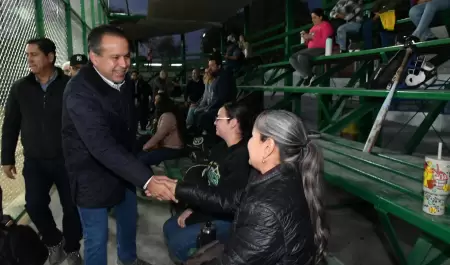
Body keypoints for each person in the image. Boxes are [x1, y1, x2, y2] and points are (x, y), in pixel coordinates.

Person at [61, 25, 176, 265]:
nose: (124, 64)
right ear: (94, 57)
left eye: (127, 56)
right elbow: (101, 146)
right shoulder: (79, 92)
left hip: (122, 169)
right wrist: (147, 179)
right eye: (115, 57)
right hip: (91, 176)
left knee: (128, 220)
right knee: (97, 237)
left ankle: (129, 259)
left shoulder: (121, 79)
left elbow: (126, 128)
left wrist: (138, 172)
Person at [157, 110, 329, 265]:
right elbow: (230, 200)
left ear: (268, 147)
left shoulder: (267, 207)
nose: (248, 143)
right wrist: (178, 188)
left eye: (253, 137)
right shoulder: (279, 177)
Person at [1, 38, 83, 265]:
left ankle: (73, 249)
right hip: (35, 161)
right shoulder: (20, 88)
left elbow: (83, 123)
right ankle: (53, 240)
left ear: (50, 57)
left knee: (72, 207)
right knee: (34, 204)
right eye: (28, 55)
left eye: (34, 54)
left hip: (67, 159)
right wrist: (6, 158)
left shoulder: (70, 86)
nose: (29, 59)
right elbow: (10, 124)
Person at [163, 102, 253, 263]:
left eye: (219, 118)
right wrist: (191, 208)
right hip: (210, 207)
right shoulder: (220, 148)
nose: (214, 122)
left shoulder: (242, 158)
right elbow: (207, 184)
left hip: (228, 218)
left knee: (178, 244)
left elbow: (227, 204)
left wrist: (196, 214)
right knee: (169, 227)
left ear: (233, 123)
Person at [192, 55, 236, 136]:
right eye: (209, 66)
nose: (209, 68)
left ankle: (207, 139)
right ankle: (200, 136)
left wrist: (208, 108)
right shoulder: (217, 77)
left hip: (225, 107)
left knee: (203, 116)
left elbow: (221, 98)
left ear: (219, 66)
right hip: (217, 106)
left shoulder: (224, 77)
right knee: (198, 113)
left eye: (212, 66)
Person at [138, 92, 185, 166]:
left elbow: (159, 135)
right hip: (166, 146)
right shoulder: (164, 114)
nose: (154, 102)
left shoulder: (168, 116)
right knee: (141, 146)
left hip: (172, 149)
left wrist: (146, 147)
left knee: (143, 159)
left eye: (157, 100)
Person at [289, 8, 333, 85]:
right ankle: (307, 76)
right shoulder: (313, 28)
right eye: (312, 18)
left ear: (320, 17)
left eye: (315, 17)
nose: (313, 19)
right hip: (311, 50)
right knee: (295, 58)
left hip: (321, 48)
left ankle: (309, 76)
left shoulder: (326, 25)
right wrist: (305, 38)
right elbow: (309, 43)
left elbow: (326, 41)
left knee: (298, 57)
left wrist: (311, 37)